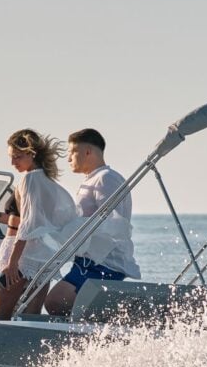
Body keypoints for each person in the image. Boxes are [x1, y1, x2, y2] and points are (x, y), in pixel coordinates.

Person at [0, 129, 76, 321]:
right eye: (11, 157)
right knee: (29, 317)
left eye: (17, 157)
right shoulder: (47, 181)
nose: (12, 163)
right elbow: (20, 220)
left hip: (22, 256)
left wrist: (13, 262)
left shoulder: (30, 179)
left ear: (32, 153)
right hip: (41, 258)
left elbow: (27, 224)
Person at [44, 129, 141, 316]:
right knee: (57, 303)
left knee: (56, 301)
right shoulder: (93, 179)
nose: (69, 158)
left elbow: (115, 224)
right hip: (87, 261)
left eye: (72, 152)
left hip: (102, 263)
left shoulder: (106, 178)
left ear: (87, 151)